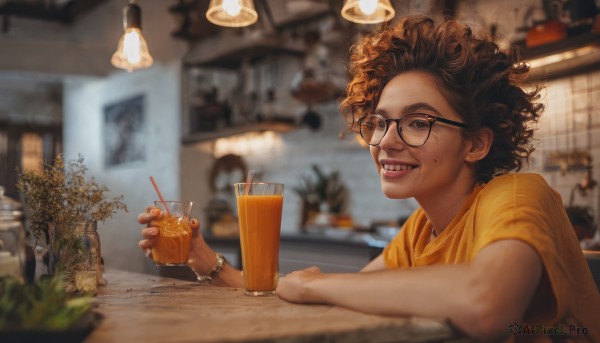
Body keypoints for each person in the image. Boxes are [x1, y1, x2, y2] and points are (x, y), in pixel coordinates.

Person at [139, 15, 600, 341]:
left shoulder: (518, 195)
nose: (386, 142)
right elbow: (327, 294)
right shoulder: (419, 231)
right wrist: (206, 261)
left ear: (476, 144)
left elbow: (488, 305)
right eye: (380, 122)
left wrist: (317, 283)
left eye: (418, 122)